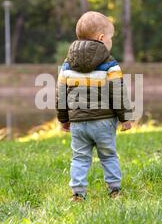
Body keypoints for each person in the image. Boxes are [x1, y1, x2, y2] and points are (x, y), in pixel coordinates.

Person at [56, 11, 134, 201]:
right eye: (110, 38)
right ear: (101, 38)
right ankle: (114, 190)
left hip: (78, 124)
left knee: (80, 158)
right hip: (104, 122)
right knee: (108, 156)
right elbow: (118, 92)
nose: (111, 42)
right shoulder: (110, 64)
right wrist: (125, 117)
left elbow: (60, 95)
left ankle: (78, 193)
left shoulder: (67, 65)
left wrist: (64, 119)